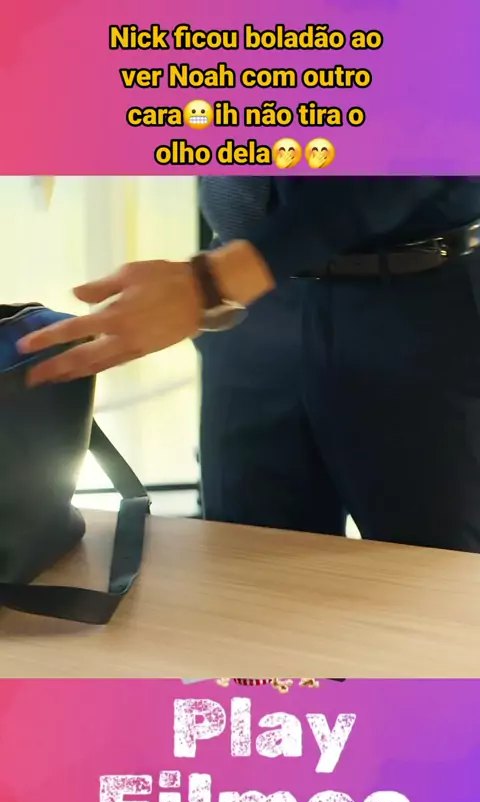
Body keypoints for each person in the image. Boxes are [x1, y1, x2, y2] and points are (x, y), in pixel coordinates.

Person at [18, 177, 480, 552]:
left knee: (434, 585)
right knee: (248, 570)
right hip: (245, 308)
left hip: (416, 299)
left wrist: (212, 283)